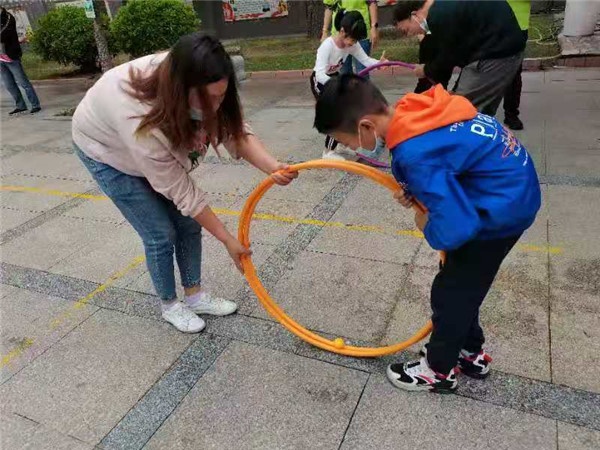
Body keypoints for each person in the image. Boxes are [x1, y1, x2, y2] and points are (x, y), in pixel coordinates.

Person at [313, 75, 541, 392]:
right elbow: (449, 161)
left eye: (346, 141)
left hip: (498, 212)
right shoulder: (414, 110)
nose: (350, 148)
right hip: (512, 191)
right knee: (465, 286)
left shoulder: (414, 153)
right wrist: (417, 191)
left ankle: (438, 370)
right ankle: (469, 352)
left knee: (450, 294)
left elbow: (456, 228)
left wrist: (426, 222)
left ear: (365, 126)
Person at [72, 34, 297, 333]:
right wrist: (228, 240)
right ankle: (169, 305)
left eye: (220, 97)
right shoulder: (137, 116)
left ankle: (195, 296)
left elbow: (233, 129)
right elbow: (182, 192)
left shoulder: (198, 74)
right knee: (160, 233)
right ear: (180, 91)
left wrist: (272, 167)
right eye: (208, 100)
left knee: (189, 224)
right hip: (105, 151)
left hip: (141, 145)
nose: (215, 107)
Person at [393, 0, 527, 116]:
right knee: (469, 106)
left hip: (497, 51)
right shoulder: (442, 8)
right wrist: (454, 89)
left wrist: (425, 70)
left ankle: (473, 135)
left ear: (414, 15)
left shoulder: (440, 15)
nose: (410, 34)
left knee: (462, 111)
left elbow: (448, 56)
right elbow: (455, 53)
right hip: (498, 46)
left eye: (406, 30)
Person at [311, 9, 385, 161]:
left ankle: (341, 145)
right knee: (337, 112)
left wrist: (380, 63)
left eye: (356, 40)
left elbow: (366, 61)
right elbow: (319, 74)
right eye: (352, 39)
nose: (353, 43)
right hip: (320, 81)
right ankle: (327, 152)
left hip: (335, 78)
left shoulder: (352, 45)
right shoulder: (327, 46)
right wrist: (337, 86)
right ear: (342, 31)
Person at [321, 0, 379, 78]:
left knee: (362, 70)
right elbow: (329, 7)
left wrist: (374, 27)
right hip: (341, 34)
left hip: (360, 32)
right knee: (344, 71)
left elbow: (372, 2)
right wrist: (324, 31)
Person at [0, 7, 41, 115]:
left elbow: (3, 36)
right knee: (9, 85)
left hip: (11, 56)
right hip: (1, 59)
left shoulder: (8, 17)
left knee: (23, 83)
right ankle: (20, 106)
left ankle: (35, 105)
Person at [504, 0, 531, 130]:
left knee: (513, 73)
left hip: (518, 25)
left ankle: (511, 114)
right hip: (487, 22)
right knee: (480, 68)